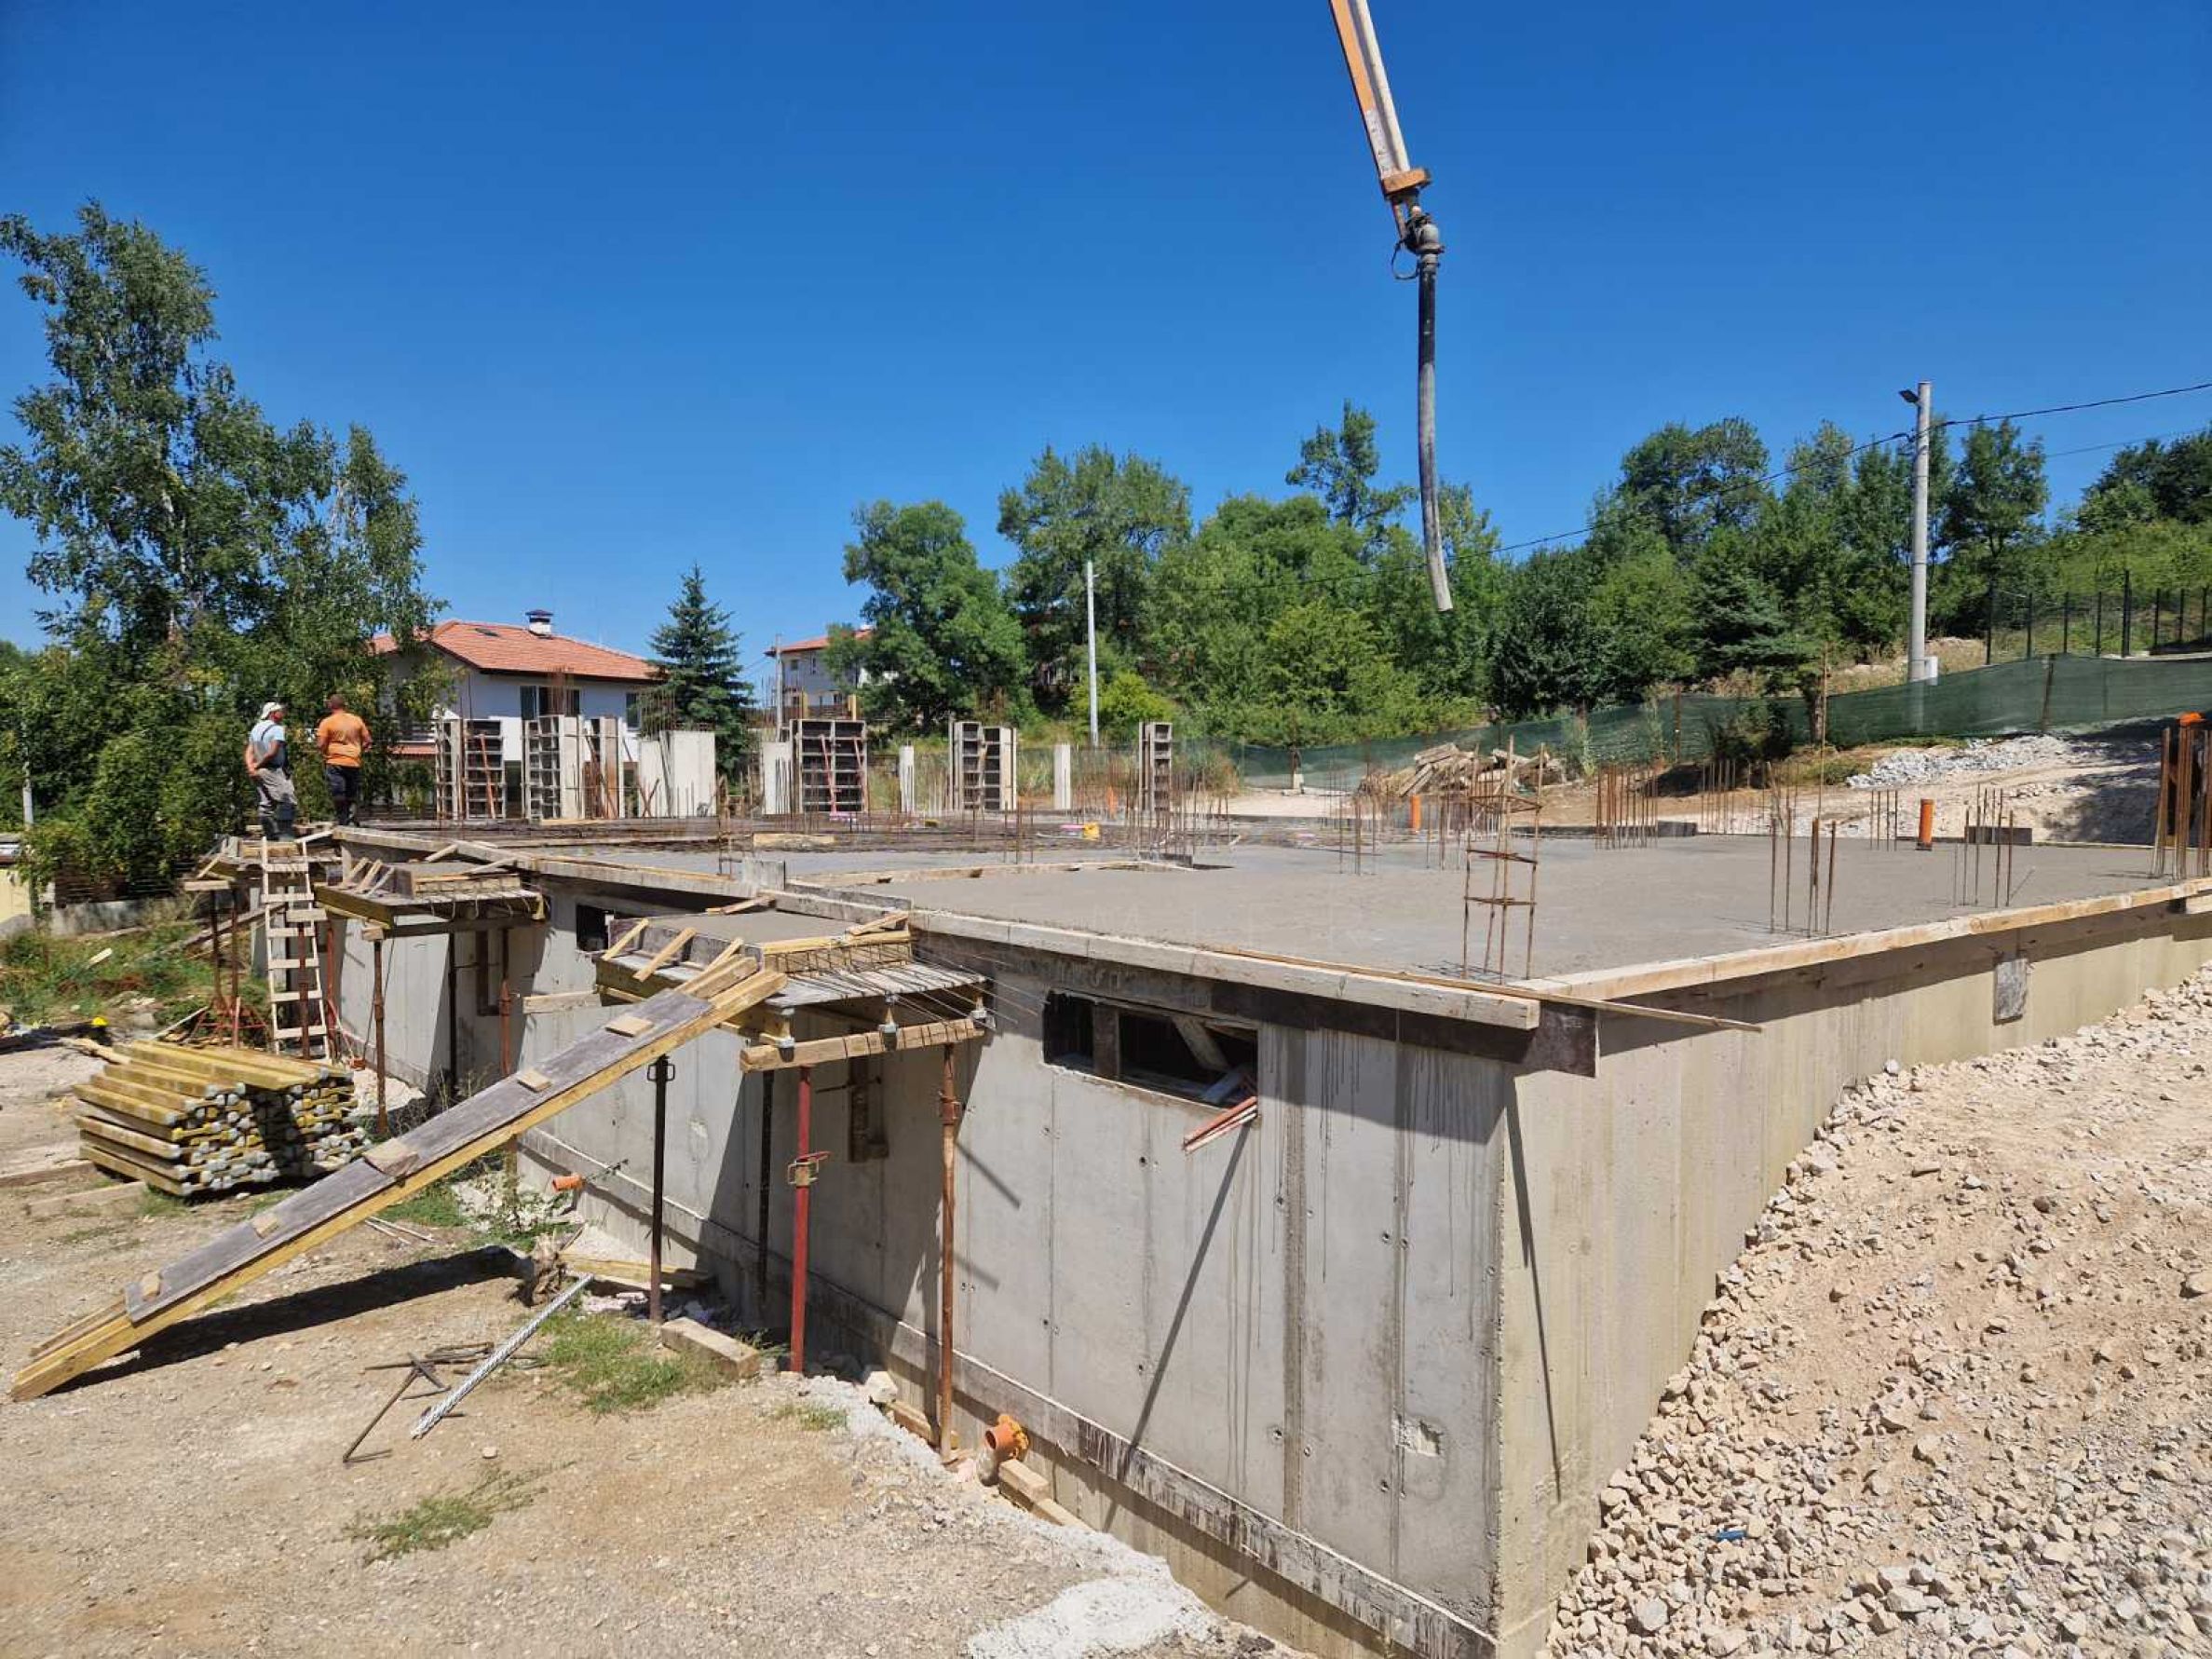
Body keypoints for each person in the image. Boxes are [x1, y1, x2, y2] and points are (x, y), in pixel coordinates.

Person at [314, 692, 373, 827]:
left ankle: (343, 821)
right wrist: (359, 751)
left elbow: (321, 744)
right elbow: (368, 741)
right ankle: (352, 820)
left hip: (335, 761)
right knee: (352, 792)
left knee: (338, 792)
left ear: (331, 705)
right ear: (344, 705)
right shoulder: (356, 720)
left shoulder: (327, 722)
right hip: (353, 761)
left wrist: (322, 752)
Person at [244, 700, 296, 841]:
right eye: (280, 711)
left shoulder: (256, 728)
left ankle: (270, 836)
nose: (283, 713)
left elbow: (249, 751)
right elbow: (272, 752)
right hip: (273, 770)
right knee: (288, 800)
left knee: (266, 804)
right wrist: (258, 765)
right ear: (272, 714)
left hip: (259, 772)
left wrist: (251, 767)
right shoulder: (277, 729)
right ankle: (285, 837)